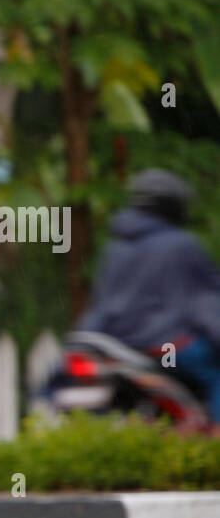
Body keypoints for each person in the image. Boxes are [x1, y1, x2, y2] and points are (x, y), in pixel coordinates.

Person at [74, 168, 220, 426]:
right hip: (167, 351)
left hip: (120, 349)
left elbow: (99, 307)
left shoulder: (115, 249)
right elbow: (206, 304)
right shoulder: (181, 245)